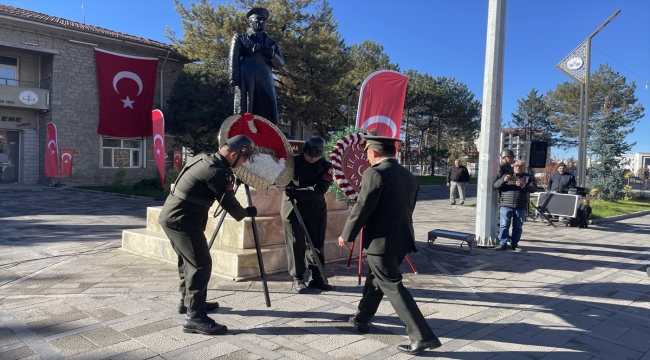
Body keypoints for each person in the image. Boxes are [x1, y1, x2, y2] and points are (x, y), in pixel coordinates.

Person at [338, 135, 441, 355]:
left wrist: (348, 234)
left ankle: (422, 336)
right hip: (402, 239)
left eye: (367, 152)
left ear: (373, 152)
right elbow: (409, 208)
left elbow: (363, 207)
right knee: (376, 281)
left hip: (380, 242)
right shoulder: (408, 176)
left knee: (391, 285)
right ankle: (361, 319)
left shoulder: (374, 173)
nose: (366, 157)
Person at [158, 135, 258, 335]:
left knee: (188, 261)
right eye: (244, 158)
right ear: (232, 154)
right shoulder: (217, 172)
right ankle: (195, 318)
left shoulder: (203, 158)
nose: (245, 162)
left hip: (173, 216)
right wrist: (247, 212)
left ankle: (187, 302)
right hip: (183, 221)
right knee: (200, 264)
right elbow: (231, 206)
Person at [282, 137, 334, 293]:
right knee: (295, 242)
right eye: (310, 155)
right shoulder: (291, 162)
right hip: (292, 206)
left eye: (316, 156)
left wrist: (298, 192)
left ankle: (317, 276)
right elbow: (280, 177)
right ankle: (298, 277)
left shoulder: (326, 166)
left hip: (315, 208)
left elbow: (321, 188)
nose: (312, 159)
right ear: (304, 151)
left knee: (316, 242)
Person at [228, 8, 284, 124]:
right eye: (258, 19)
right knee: (247, 106)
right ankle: (244, 132)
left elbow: (280, 64)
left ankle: (268, 132)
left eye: (264, 20)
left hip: (265, 76)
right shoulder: (240, 37)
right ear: (250, 21)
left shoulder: (271, 42)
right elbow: (233, 58)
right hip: (247, 75)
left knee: (268, 104)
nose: (262, 22)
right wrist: (233, 77)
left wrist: (273, 55)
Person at [493, 160, 537, 251]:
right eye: (516, 165)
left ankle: (514, 244)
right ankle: (502, 243)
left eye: (521, 166)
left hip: (520, 205)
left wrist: (523, 185)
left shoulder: (529, 177)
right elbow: (496, 185)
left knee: (518, 226)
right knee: (504, 225)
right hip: (506, 204)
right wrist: (503, 180)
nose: (518, 167)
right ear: (513, 167)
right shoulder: (506, 176)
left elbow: (533, 189)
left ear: (524, 167)